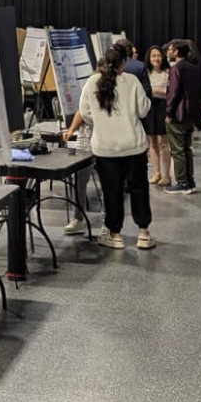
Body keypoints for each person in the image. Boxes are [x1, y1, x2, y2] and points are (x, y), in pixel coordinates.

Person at [72, 46, 153, 250]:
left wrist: (101, 122)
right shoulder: (132, 81)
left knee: (111, 191)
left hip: (105, 147)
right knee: (139, 188)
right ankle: (143, 232)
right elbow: (143, 111)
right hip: (134, 146)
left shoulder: (92, 82)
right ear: (123, 63)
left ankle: (115, 234)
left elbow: (84, 112)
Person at [164, 39, 201, 195]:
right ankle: (190, 181)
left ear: (176, 52)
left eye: (170, 50)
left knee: (177, 150)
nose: (168, 52)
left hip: (178, 114)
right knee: (187, 148)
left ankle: (182, 183)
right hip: (192, 114)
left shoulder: (176, 68)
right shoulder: (195, 68)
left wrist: (168, 113)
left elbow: (173, 93)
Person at [144, 45, 172, 186]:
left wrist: (157, 92)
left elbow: (171, 93)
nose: (156, 58)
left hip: (163, 107)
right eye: (153, 56)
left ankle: (167, 175)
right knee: (152, 142)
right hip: (150, 108)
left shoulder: (168, 72)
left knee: (163, 142)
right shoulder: (146, 73)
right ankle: (156, 173)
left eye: (159, 55)